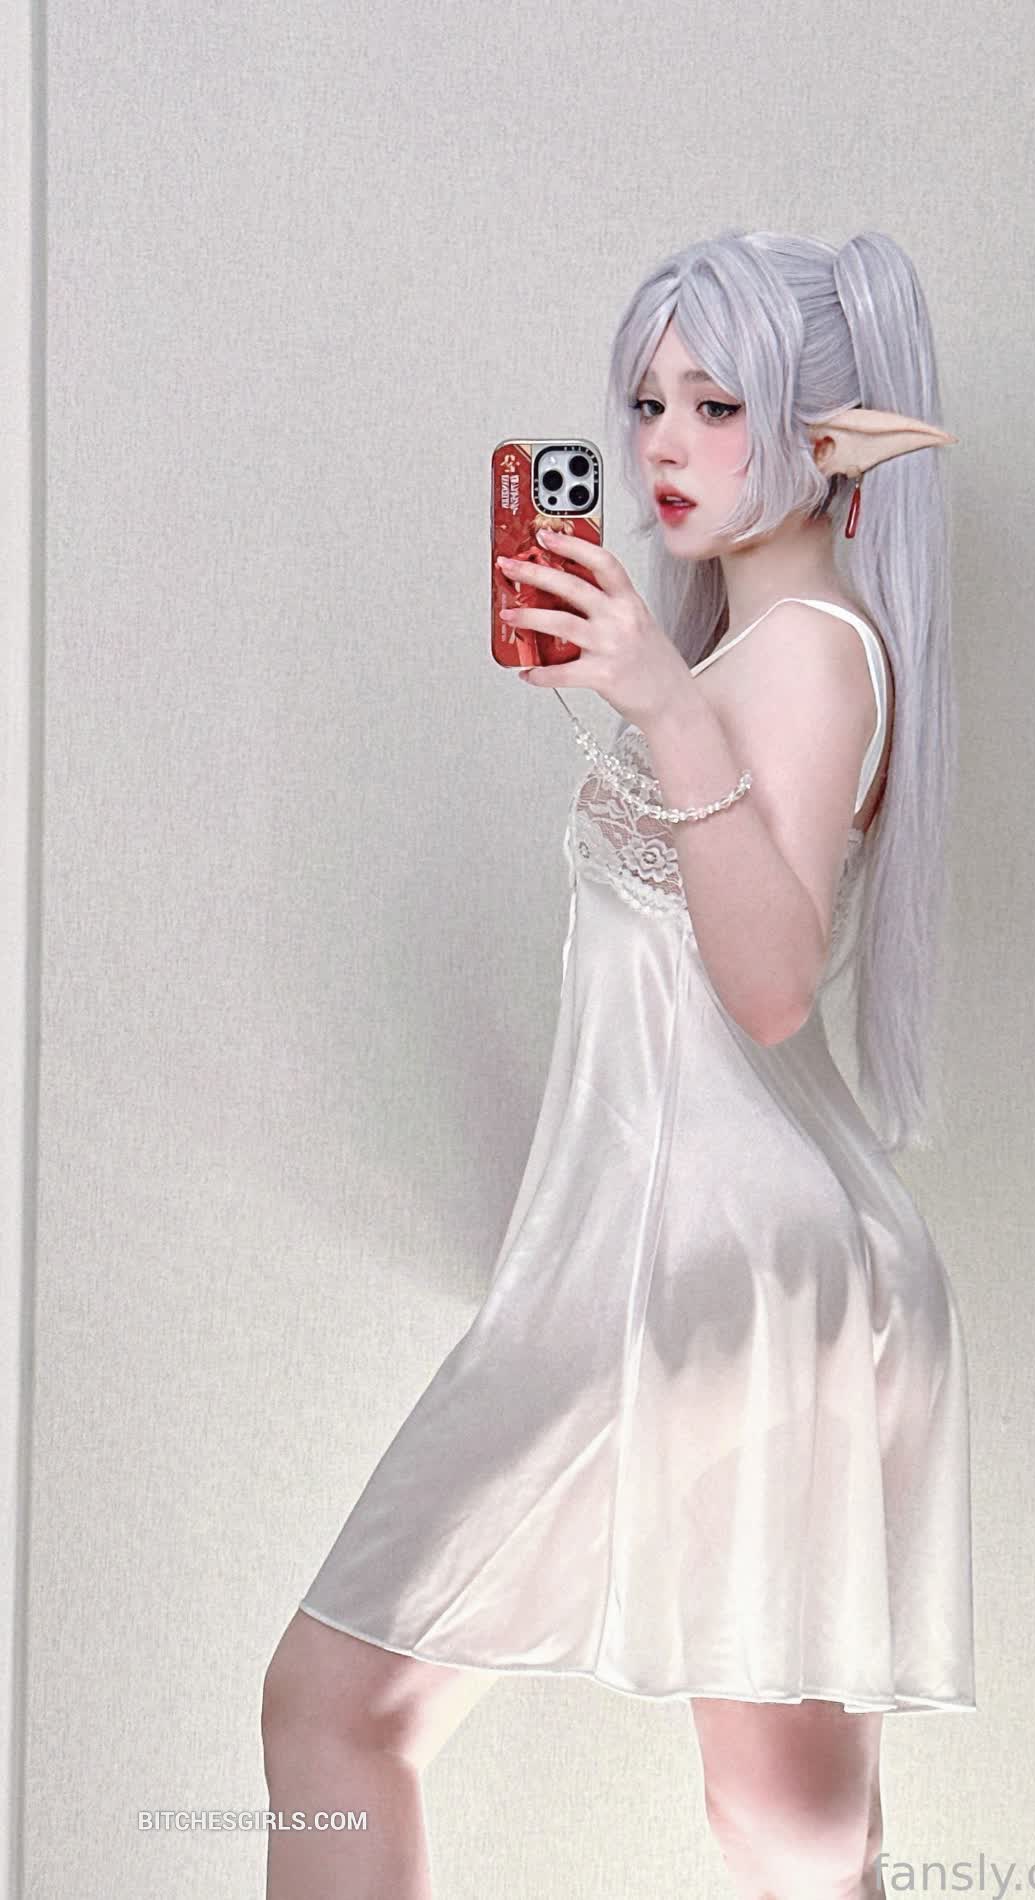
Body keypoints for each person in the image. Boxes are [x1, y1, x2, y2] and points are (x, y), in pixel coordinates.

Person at [261, 227, 975, 1900]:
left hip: (723, 1273)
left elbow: (771, 987)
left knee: (345, 1710)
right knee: (787, 1827)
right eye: (649, 401)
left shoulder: (809, 653)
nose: (664, 443)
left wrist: (661, 700)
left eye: (718, 405)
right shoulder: (749, 657)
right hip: (711, 1270)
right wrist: (659, 692)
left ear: (834, 436)